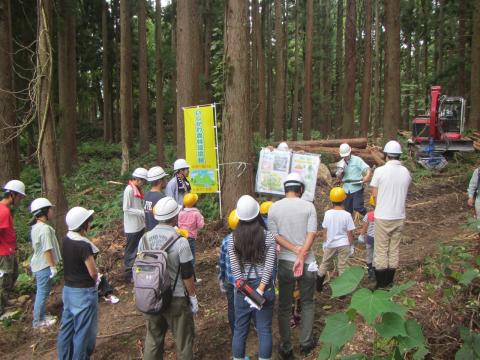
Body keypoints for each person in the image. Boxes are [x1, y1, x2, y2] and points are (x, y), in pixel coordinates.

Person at [139, 196, 198, 360]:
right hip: (176, 298)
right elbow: (187, 274)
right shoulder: (181, 242)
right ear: (175, 216)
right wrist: (193, 297)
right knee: (184, 342)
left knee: (153, 340)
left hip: (151, 296)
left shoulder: (144, 239)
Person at [268, 173, 317, 358]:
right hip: (308, 261)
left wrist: (294, 250)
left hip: (285, 262)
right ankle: (305, 343)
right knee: (307, 302)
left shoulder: (274, 208)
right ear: (301, 189)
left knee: (284, 305)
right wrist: (302, 253)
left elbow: (275, 236)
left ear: (285, 189)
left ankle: (286, 346)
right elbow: (311, 234)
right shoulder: (309, 206)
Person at [228, 195, 276, 360]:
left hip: (243, 289)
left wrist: (247, 291)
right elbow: (269, 267)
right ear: (257, 214)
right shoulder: (268, 236)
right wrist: (260, 291)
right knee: (264, 329)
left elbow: (236, 271)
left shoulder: (233, 239)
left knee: (240, 329)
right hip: (264, 287)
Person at [57, 206, 99, 360]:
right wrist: (97, 280)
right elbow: (93, 271)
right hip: (83, 292)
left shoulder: (66, 239)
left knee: (67, 329)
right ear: (83, 225)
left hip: (68, 290)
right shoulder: (83, 245)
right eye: (89, 222)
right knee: (83, 332)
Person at [370, 140, 411, 288]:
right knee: (394, 249)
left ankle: (380, 284)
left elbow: (374, 194)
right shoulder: (406, 172)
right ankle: (389, 281)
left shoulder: (380, 171)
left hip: (383, 216)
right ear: (399, 155)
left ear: (386, 155)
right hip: (399, 216)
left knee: (381, 249)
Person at [29, 198, 61, 329]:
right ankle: (38, 321)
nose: (52, 211)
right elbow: (47, 249)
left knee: (42, 291)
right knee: (42, 292)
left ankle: (41, 317)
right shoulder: (44, 229)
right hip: (43, 265)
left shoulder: (36, 227)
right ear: (44, 211)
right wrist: (52, 266)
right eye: (50, 209)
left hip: (38, 265)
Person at [316, 187, 355, 291]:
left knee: (324, 264)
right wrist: (351, 245)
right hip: (344, 244)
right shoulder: (347, 215)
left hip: (330, 243)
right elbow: (349, 233)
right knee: (342, 266)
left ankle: (318, 287)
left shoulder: (328, 213)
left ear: (331, 200)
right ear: (344, 199)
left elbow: (325, 230)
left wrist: (325, 242)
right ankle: (342, 291)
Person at [0, 180, 26, 317]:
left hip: (9, 250)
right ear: (12, 194)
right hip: (3, 253)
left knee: (13, 275)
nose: (20, 200)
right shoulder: (3, 211)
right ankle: (1, 310)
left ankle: (5, 300)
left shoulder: (5, 210)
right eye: (20, 197)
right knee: (4, 280)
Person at [123, 167, 148, 279]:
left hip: (140, 225)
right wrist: (141, 212)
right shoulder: (129, 189)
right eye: (143, 181)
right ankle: (129, 274)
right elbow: (126, 208)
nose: (143, 183)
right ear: (138, 179)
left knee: (139, 249)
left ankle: (137, 271)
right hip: (132, 227)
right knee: (131, 251)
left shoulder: (137, 189)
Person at [218, 210, 240, 335]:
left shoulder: (226, 240)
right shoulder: (251, 239)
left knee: (232, 306)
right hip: (246, 282)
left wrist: (221, 278)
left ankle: (235, 330)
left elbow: (221, 262)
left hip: (230, 281)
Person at [336, 143, 372, 216]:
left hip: (357, 187)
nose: (345, 157)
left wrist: (367, 176)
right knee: (347, 212)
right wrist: (339, 174)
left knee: (358, 207)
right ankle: (350, 226)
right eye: (344, 156)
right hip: (346, 189)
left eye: (346, 155)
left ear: (349, 152)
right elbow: (340, 178)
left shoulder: (357, 160)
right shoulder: (340, 163)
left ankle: (368, 217)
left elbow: (367, 168)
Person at [178, 193, 205, 282]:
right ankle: (192, 279)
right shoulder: (196, 213)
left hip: (181, 237)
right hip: (191, 238)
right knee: (191, 258)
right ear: (194, 203)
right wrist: (202, 218)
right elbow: (201, 226)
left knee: (182, 257)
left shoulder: (181, 213)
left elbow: (178, 224)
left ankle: (182, 278)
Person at [144, 166, 168, 231]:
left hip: (149, 232)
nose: (166, 181)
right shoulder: (161, 198)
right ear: (160, 181)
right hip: (160, 233)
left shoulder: (146, 195)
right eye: (165, 179)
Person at [358, 196, 376, 281]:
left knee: (369, 255)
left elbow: (365, 226)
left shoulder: (368, 215)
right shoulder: (383, 215)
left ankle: (370, 272)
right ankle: (377, 271)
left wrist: (361, 235)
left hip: (369, 238)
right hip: (379, 238)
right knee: (377, 255)